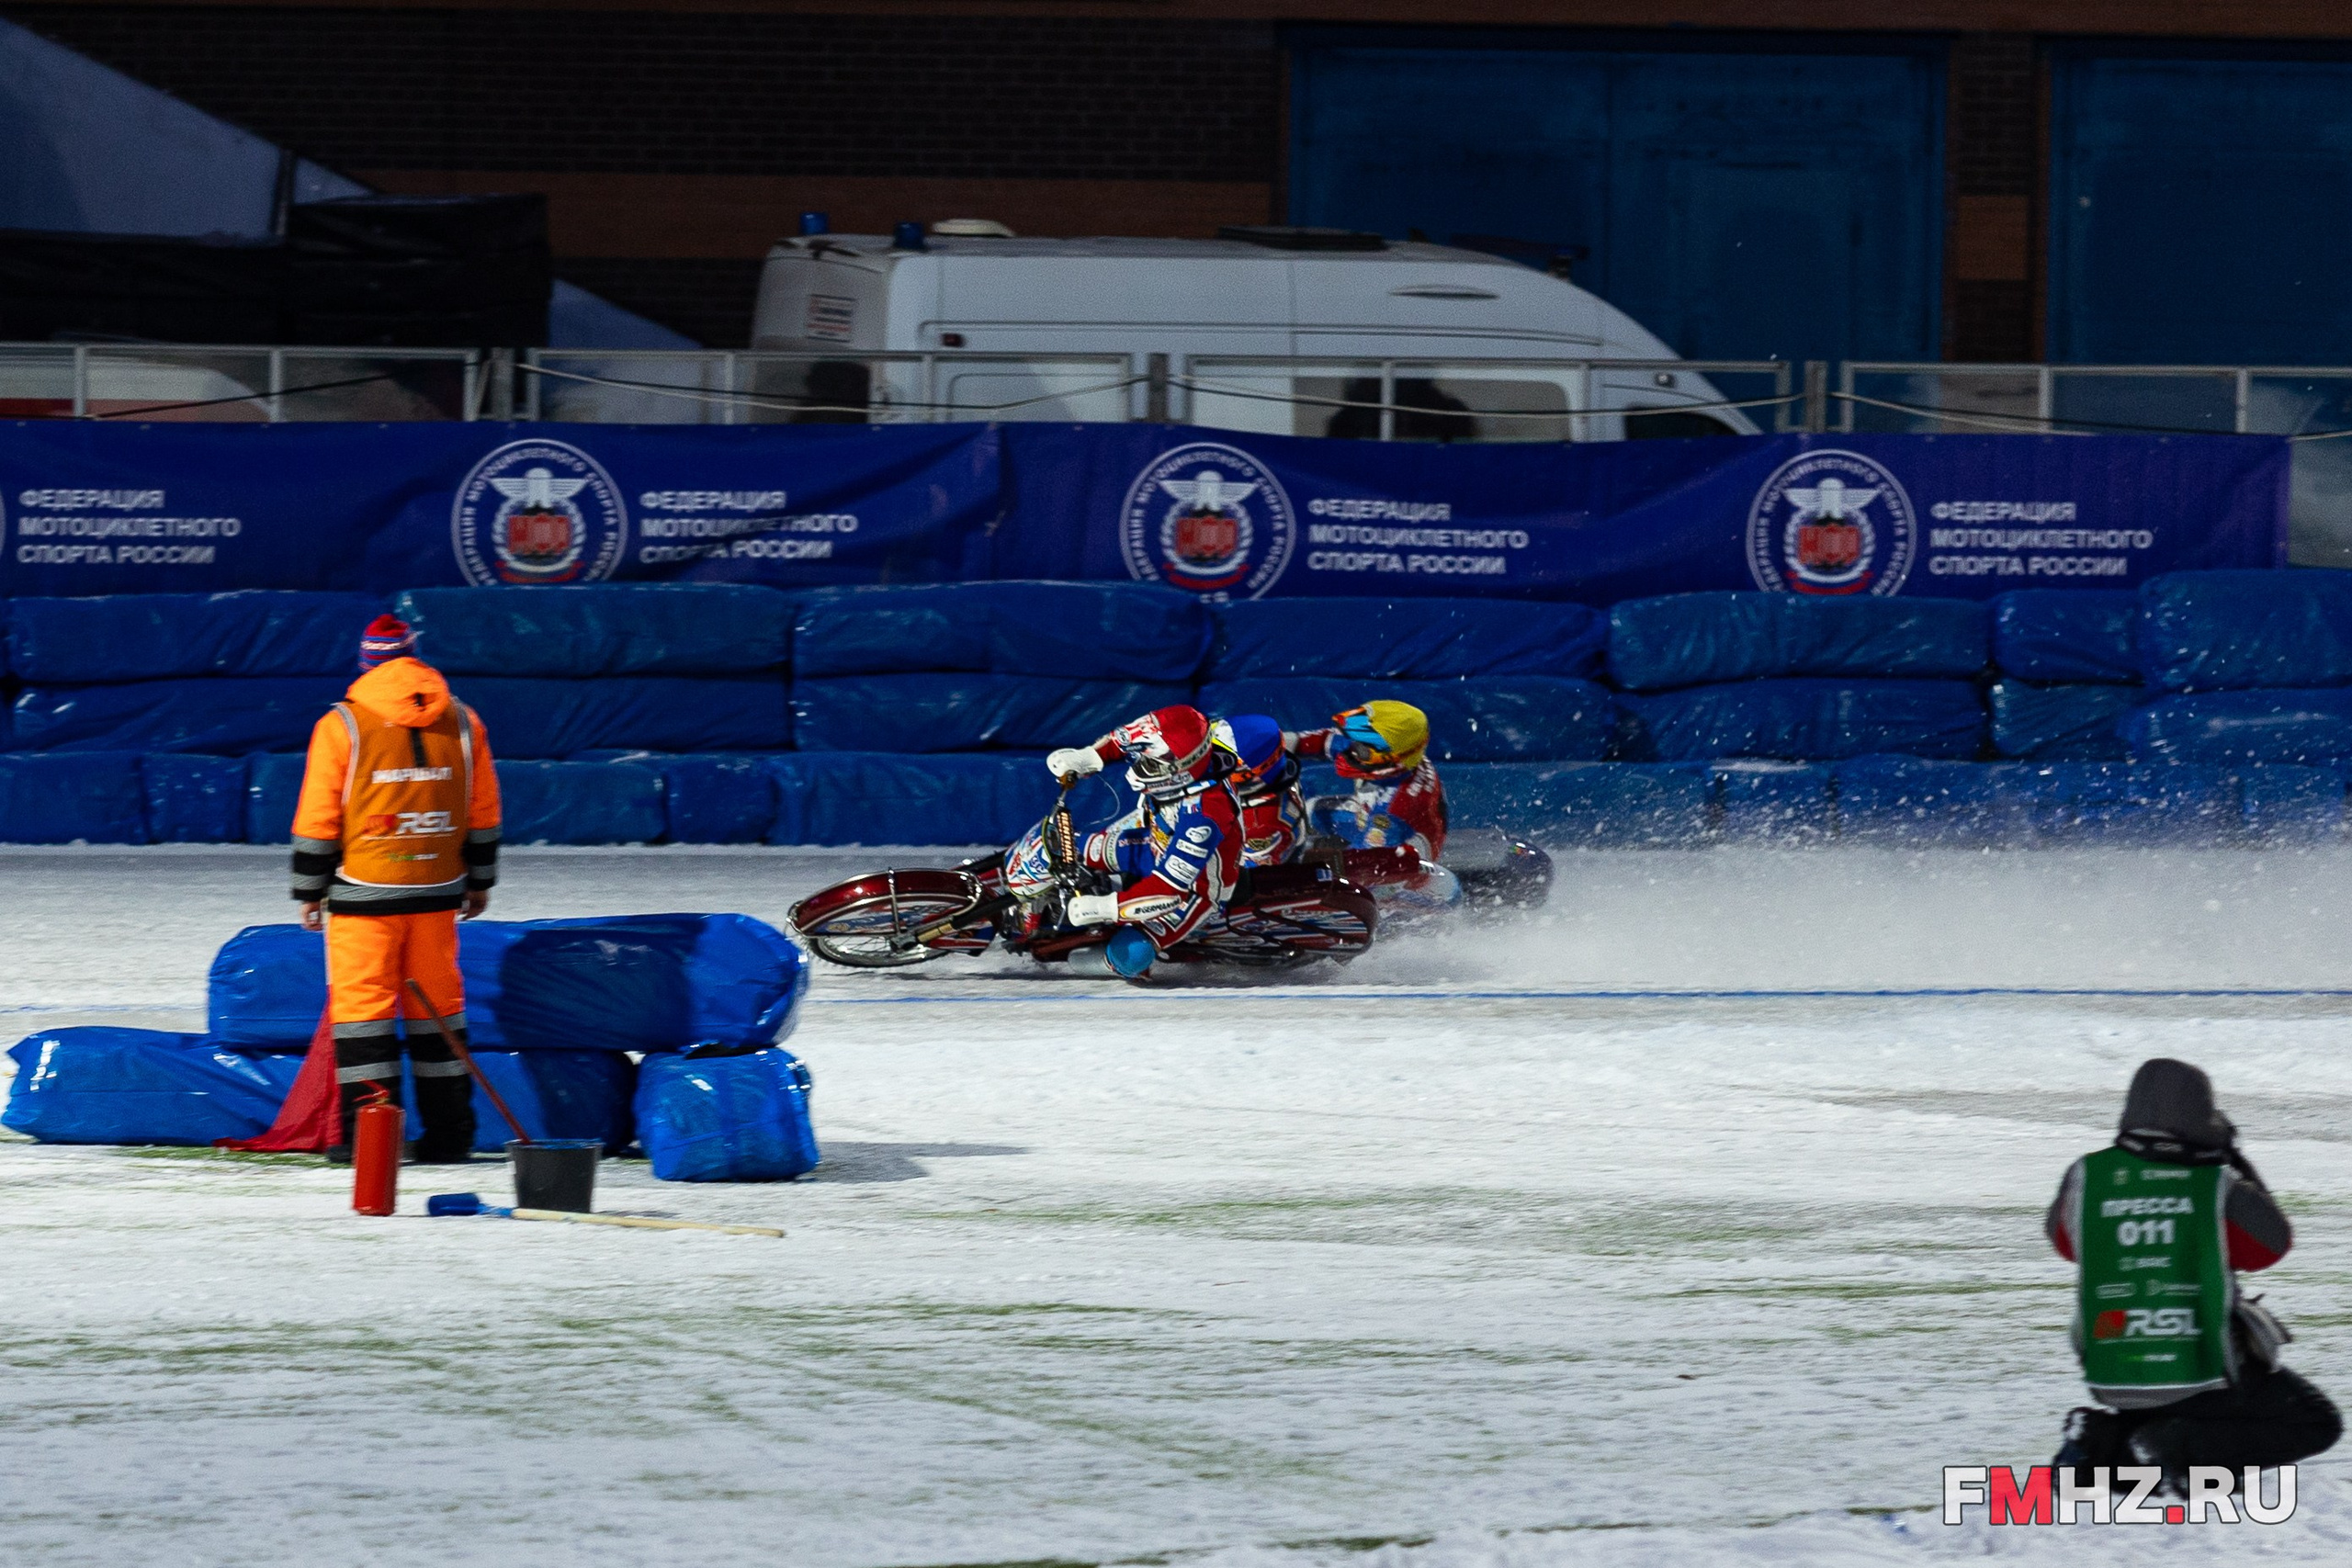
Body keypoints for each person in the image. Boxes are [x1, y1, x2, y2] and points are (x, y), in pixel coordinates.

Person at [2048, 1057, 2339, 1492]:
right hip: (2199, 1366)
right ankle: (2175, 1447)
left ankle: (2097, 1444)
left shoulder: (2086, 1176)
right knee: (2314, 1422)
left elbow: (2066, 1243)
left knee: (2152, 1450)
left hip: (2114, 1365)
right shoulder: (2215, 1184)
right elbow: (2270, 1246)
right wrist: (2234, 1161)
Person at [290, 615, 502, 1163]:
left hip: (364, 893)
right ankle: (450, 1136)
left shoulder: (341, 725)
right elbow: (482, 810)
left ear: (366, 662)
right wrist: (479, 879)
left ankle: (371, 1140)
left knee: (364, 1014)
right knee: (439, 1014)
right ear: (414, 655)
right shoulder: (464, 721)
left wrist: (309, 888)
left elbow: (319, 816)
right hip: (438, 891)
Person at [1045, 705, 1244, 979]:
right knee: (1071, 847)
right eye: (1139, 758)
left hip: (1194, 888)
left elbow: (1170, 890)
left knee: (1132, 953)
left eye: (1148, 764)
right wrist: (1088, 756)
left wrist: (1106, 908)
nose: (1137, 767)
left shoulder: (1205, 814)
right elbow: (1124, 740)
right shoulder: (1171, 742)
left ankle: (1097, 963)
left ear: (1181, 770)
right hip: (1155, 845)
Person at [1293, 699, 1460, 911]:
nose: (1349, 750)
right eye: (1353, 738)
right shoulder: (1385, 751)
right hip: (1368, 820)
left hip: (1395, 867)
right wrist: (1272, 744)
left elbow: (1362, 864)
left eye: (1360, 748)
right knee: (1306, 810)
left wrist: (1299, 869)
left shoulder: (1394, 811)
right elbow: (1327, 740)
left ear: (1392, 761)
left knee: (1355, 889)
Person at [1210, 712, 1306, 868]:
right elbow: (1306, 741)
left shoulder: (1259, 826)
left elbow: (1243, 876)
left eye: (1222, 762)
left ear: (1250, 777)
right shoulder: (1270, 751)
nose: (1211, 765)